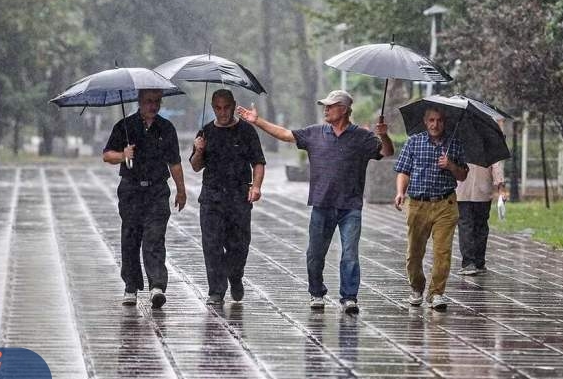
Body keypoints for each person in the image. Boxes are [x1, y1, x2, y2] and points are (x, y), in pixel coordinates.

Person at [236, 89, 394, 314]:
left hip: (350, 206)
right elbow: (285, 134)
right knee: (315, 254)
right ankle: (316, 292)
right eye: (325, 106)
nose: (326, 109)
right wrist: (257, 121)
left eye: (331, 106)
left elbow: (386, 151)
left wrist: (384, 135)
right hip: (322, 204)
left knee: (350, 254)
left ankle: (349, 297)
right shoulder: (315, 133)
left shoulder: (362, 137)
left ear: (345, 109)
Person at [103, 88, 187, 308]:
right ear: (139, 102)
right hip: (131, 190)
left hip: (157, 190)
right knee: (130, 238)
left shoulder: (166, 128)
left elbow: (175, 162)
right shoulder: (125, 126)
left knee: (154, 237)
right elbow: (107, 155)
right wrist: (123, 155)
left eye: (157, 101)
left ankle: (157, 285)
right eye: (149, 101)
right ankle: (131, 286)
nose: (153, 105)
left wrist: (181, 189)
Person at [190, 89, 266, 305]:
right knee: (211, 244)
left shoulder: (246, 131)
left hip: (238, 197)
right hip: (212, 197)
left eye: (226, 107)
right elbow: (195, 166)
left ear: (233, 105)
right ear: (213, 107)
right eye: (218, 108)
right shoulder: (205, 132)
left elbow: (258, 162)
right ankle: (216, 290)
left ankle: (235, 276)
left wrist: (257, 186)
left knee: (239, 245)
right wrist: (198, 151)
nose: (223, 112)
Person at [394, 106, 468, 311]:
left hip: (445, 204)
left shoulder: (454, 144)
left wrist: (451, 165)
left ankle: (437, 293)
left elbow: (462, 175)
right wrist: (401, 192)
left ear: (444, 122)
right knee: (414, 252)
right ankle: (417, 288)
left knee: (442, 252)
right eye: (431, 120)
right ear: (425, 122)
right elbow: (403, 170)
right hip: (418, 204)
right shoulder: (414, 142)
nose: (435, 125)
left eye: (439, 120)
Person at [456, 161, 506, 275]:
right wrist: (501, 188)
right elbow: (496, 166)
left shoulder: (458, 144)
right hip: (483, 191)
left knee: (465, 227)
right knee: (481, 226)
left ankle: (468, 263)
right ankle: (479, 263)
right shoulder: (489, 145)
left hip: (462, 192)